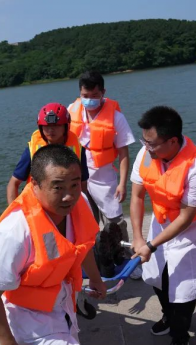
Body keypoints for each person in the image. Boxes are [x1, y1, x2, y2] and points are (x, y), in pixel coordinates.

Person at [0, 144, 107, 345]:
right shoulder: (14, 231)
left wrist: (95, 279)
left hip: (60, 297)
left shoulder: (79, 204)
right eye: (57, 186)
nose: (68, 195)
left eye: (74, 184)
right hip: (26, 310)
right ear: (35, 185)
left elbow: (82, 247)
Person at [130, 106, 196, 345]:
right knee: (156, 277)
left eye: (152, 143)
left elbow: (186, 217)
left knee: (182, 289)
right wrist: (138, 238)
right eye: (144, 141)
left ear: (172, 140)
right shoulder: (146, 153)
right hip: (161, 223)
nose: (147, 148)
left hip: (192, 232)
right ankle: (168, 317)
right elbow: (137, 196)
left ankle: (180, 337)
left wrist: (150, 245)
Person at [68, 71, 135, 240]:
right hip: (79, 176)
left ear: (103, 93)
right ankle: (95, 258)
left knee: (115, 221)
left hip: (104, 177)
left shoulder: (116, 117)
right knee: (85, 220)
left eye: (94, 95)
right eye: (85, 95)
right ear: (79, 93)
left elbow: (123, 152)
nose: (89, 99)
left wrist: (122, 183)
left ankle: (123, 257)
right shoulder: (72, 110)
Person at [7, 103, 89, 204]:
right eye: (46, 126)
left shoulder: (79, 150)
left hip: (67, 201)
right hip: (37, 204)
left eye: (56, 125)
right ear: (40, 127)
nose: (50, 130)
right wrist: (13, 211)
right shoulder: (31, 150)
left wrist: (82, 206)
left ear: (66, 126)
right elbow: (14, 183)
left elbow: (83, 183)